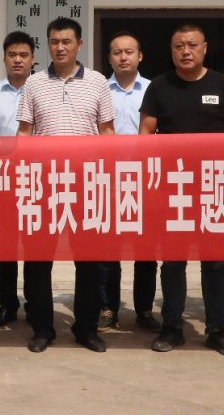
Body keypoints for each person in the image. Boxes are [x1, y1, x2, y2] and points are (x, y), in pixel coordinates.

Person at [139, 23, 224, 358]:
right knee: (173, 262)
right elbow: (145, 136)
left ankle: (218, 329)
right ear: (171, 51)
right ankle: (172, 326)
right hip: (172, 189)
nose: (185, 51)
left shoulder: (222, 84)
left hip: (214, 186)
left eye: (192, 45)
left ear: (204, 48)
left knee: (216, 263)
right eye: (178, 46)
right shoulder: (159, 85)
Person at [16, 18, 116, 353]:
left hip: (87, 183)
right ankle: (42, 328)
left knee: (88, 259)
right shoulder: (33, 83)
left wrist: (107, 176)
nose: (60, 48)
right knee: (37, 259)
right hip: (43, 184)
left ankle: (86, 328)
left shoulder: (98, 82)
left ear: (79, 44)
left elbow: (107, 132)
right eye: (54, 41)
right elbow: (24, 133)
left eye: (67, 41)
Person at [98, 31, 157, 333]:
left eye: (129, 52)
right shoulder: (98, 89)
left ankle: (144, 309)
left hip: (146, 178)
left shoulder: (154, 89)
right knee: (108, 250)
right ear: (109, 58)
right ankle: (108, 308)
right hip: (107, 178)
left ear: (140, 56)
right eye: (117, 52)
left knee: (146, 250)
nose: (123, 57)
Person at [0, 31, 35, 328]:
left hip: (37, 178)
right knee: (5, 246)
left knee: (36, 245)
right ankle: (7, 303)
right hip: (2, 179)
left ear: (33, 59)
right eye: (12, 54)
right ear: (4, 58)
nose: (17, 60)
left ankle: (36, 303)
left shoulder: (42, 88)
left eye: (23, 55)